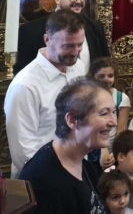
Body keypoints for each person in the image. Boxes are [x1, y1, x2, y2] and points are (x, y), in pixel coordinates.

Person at [4, 9, 87, 177]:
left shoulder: (78, 67)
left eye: (80, 45)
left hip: (78, 168)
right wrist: (60, 177)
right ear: (47, 39)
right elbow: (24, 153)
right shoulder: (24, 86)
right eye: (68, 46)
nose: (75, 52)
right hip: (42, 178)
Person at [19, 78, 116, 213]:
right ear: (72, 120)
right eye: (104, 113)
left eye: (114, 112)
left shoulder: (83, 164)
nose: (114, 122)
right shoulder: (45, 181)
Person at [15, 0, 110, 73]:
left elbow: (105, 64)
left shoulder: (96, 27)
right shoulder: (30, 31)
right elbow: (24, 70)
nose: (78, 1)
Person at [89, 57, 131, 151]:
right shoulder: (87, 97)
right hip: (91, 145)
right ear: (93, 77)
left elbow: (121, 130)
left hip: (112, 146)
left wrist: (116, 151)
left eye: (110, 76)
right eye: (101, 76)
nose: (106, 79)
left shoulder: (121, 98)